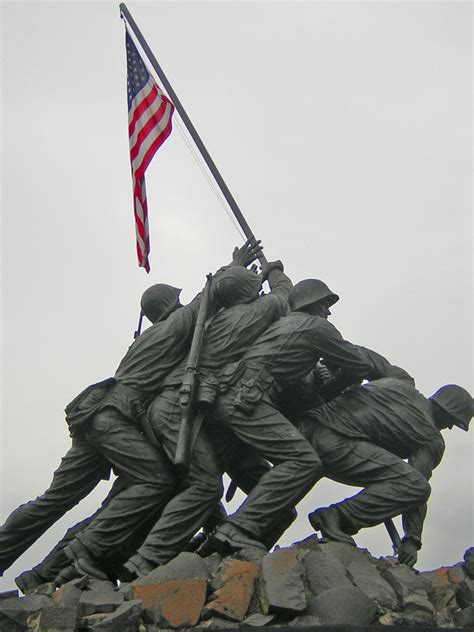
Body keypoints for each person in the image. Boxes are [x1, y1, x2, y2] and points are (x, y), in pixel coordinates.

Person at [0, 240, 261, 578]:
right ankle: (85, 551)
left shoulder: (144, 338)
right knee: (156, 480)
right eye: (178, 301)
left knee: (53, 502)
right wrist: (235, 265)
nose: (183, 303)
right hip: (115, 420)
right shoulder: (176, 326)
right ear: (172, 305)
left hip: (96, 417)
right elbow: (207, 299)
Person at [201, 279, 412, 554]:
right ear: (312, 304)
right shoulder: (316, 328)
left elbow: (295, 389)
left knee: (282, 508)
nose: (329, 312)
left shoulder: (283, 326)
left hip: (234, 397)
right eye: (325, 304)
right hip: (246, 400)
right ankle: (236, 530)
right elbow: (358, 364)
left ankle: (224, 547)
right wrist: (333, 386)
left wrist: (319, 384)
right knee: (304, 461)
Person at [120, 260, 294, 578]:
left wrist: (237, 268)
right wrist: (273, 272)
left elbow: (211, 295)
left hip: (211, 415)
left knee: (277, 501)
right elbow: (286, 296)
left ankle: (225, 550)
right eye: (254, 289)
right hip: (182, 409)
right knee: (205, 485)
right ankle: (147, 558)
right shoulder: (253, 313)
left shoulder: (211, 320)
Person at [296, 379, 473, 567]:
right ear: (444, 411)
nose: (450, 427)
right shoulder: (431, 437)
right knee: (415, 485)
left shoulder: (399, 385)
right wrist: (412, 540)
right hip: (334, 443)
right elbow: (416, 488)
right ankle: (336, 517)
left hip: (304, 428)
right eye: (453, 421)